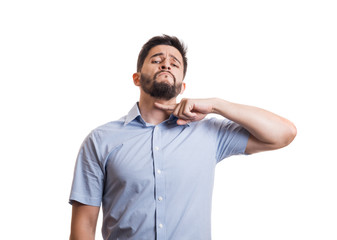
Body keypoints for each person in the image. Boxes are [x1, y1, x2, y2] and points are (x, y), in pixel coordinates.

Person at [69, 35, 297, 240]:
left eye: (174, 63)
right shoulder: (100, 140)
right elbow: (84, 227)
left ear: (182, 86)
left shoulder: (209, 133)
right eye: (157, 60)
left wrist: (216, 105)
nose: (166, 63)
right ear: (137, 78)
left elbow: (284, 133)